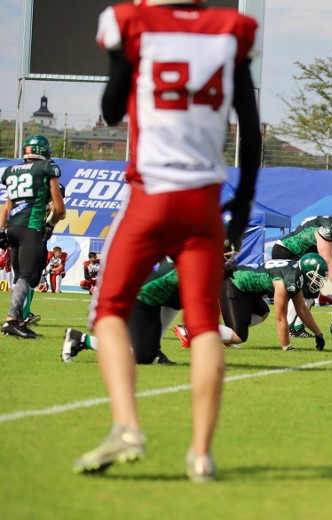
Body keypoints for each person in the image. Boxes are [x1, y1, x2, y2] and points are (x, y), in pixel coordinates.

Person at [76, 0, 261, 483]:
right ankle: (201, 454)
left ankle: (127, 426)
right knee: (203, 328)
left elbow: (111, 110)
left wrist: (123, 57)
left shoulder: (133, 23)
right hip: (203, 201)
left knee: (107, 311)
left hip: (150, 195)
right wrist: (242, 203)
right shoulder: (230, 29)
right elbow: (251, 126)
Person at [176, 253, 329, 351]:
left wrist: (318, 334)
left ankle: (226, 332)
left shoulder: (295, 273)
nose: (318, 282)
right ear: (308, 273)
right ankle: (192, 330)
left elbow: (301, 309)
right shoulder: (288, 279)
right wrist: (286, 346)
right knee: (240, 336)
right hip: (236, 284)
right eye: (317, 277)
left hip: (246, 287)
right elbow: (281, 317)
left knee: (262, 312)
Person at [0, 134, 66, 339]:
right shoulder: (46, 168)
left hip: (12, 228)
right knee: (27, 275)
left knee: (21, 277)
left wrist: (1, 231)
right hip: (31, 228)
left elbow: (7, 206)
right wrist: (49, 226)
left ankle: (18, 322)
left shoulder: (12, 171)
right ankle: (11, 320)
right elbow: (60, 210)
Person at [63, 261, 181, 365]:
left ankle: (155, 350)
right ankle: (80, 339)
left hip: (155, 292)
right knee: (141, 356)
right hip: (140, 295)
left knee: (178, 301)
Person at [271, 210, 332, 336]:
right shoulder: (328, 229)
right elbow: (328, 262)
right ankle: (290, 328)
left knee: (312, 289)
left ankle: (297, 327)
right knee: (303, 289)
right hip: (286, 251)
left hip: (297, 255)